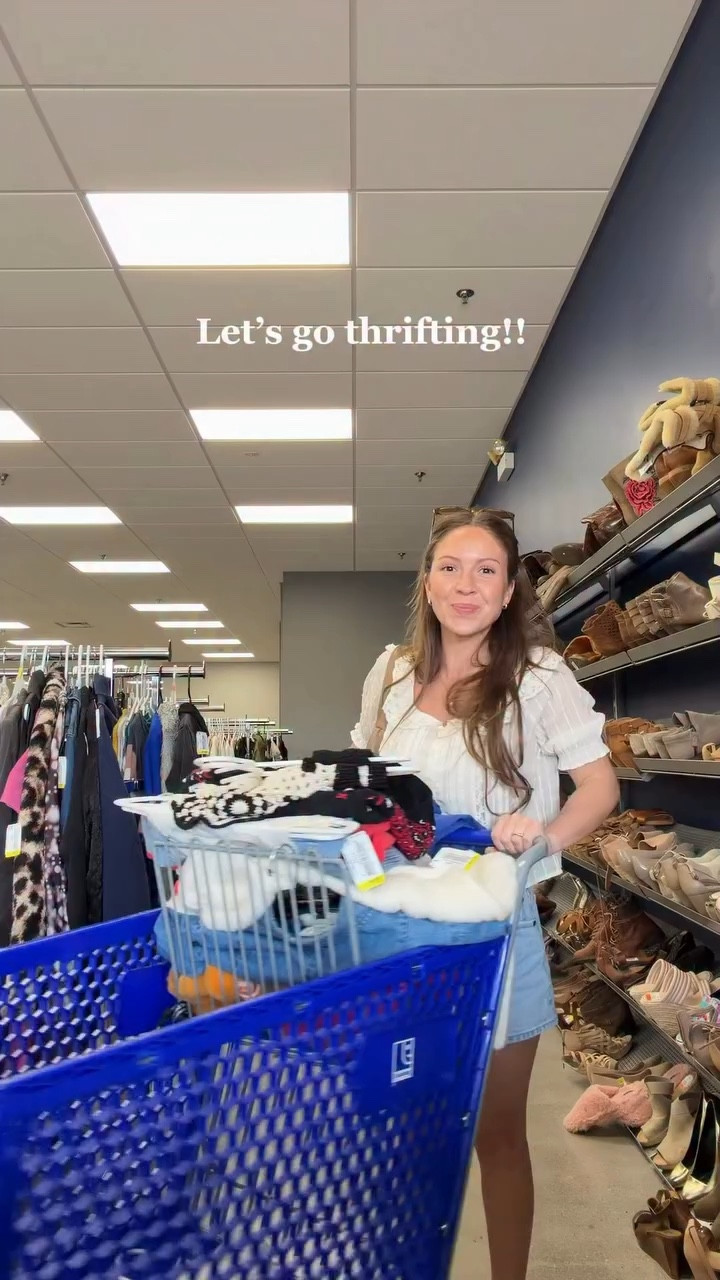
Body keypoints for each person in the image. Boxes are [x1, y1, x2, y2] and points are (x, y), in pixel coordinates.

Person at [352, 507, 619, 1280]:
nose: (466, 585)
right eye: (450, 567)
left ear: (507, 594)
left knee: (496, 1132)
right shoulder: (391, 675)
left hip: (495, 932)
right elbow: (368, 787)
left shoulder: (539, 680)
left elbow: (599, 785)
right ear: (427, 582)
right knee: (397, 1125)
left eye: (486, 571)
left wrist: (542, 836)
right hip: (395, 930)